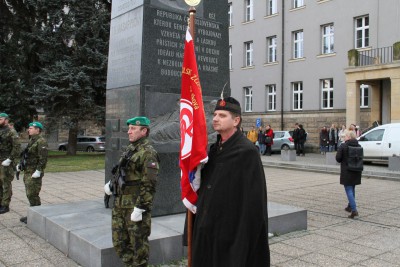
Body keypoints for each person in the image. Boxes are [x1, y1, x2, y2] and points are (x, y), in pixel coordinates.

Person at [192, 97, 270, 266]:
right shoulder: (213, 150)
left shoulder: (247, 152)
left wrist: (245, 238)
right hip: (209, 227)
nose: (215, 118)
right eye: (214, 114)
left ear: (236, 121)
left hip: (230, 231)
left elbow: (254, 201)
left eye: (222, 115)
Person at [104, 116, 160, 266]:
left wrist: (141, 207)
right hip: (120, 204)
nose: (129, 132)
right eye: (129, 128)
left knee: (138, 246)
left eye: (133, 128)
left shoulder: (148, 153)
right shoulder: (130, 149)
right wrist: (111, 184)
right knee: (120, 243)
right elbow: (123, 171)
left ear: (144, 131)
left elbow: (149, 183)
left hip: (135, 206)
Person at [18, 122, 48, 223]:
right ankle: (33, 214)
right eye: (29, 128)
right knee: (29, 193)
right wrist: (20, 165)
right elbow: (27, 155)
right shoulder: (32, 140)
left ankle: (37, 217)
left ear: (37, 130)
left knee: (32, 194)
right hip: (28, 170)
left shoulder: (41, 141)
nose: (28, 130)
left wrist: (39, 170)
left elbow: (43, 158)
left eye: (31, 128)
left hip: (34, 171)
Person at [336, 130, 362, 219]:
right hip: (356, 170)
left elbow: (338, 158)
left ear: (349, 137)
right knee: (352, 188)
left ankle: (354, 210)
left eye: (346, 136)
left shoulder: (343, 146)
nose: (344, 137)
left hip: (347, 171)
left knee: (348, 189)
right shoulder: (359, 146)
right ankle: (350, 206)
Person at [0, 113, 21, 214]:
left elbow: (17, 148)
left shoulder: (11, 132)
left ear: (6, 120)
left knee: (6, 183)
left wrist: (9, 159)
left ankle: (5, 205)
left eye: (1, 119)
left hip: (6, 162)